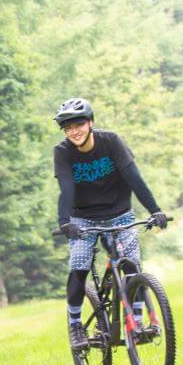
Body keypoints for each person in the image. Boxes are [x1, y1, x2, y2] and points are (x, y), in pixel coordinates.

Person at [53, 97, 168, 350]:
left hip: (120, 214)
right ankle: (75, 324)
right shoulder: (62, 152)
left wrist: (155, 210)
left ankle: (137, 324)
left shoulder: (111, 141)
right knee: (79, 267)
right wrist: (65, 222)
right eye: (68, 128)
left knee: (132, 266)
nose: (74, 131)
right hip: (83, 219)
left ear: (91, 123)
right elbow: (66, 189)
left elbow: (134, 179)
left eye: (79, 125)